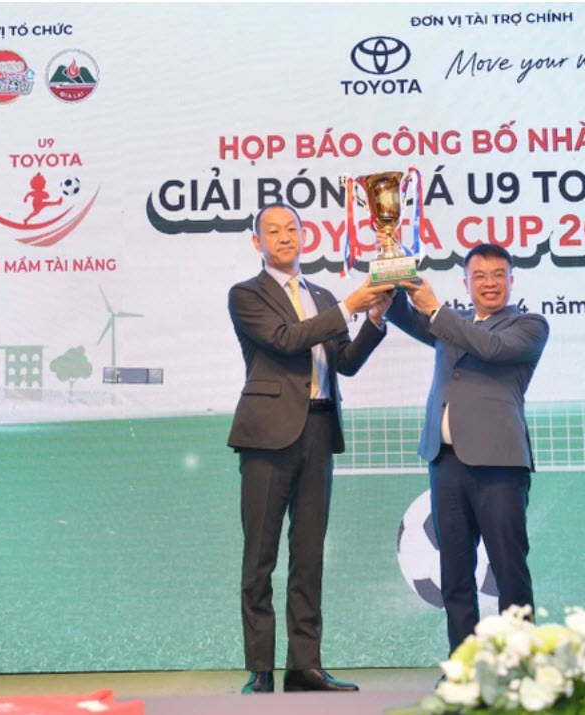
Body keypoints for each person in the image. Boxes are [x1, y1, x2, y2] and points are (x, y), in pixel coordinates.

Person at [228, 203, 395, 694]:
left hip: (319, 430)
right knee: (260, 555)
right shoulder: (246, 294)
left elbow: (345, 363)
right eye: (273, 231)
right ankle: (260, 668)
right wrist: (350, 306)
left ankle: (304, 666)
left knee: (308, 554)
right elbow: (285, 340)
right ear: (258, 243)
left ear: (304, 235)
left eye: (292, 229)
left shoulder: (321, 295)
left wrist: (374, 319)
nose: (285, 237)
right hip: (267, 436)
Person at [382, 232, 549, 655]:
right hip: (445, 463)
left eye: (498, 275)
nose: (489, 283)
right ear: (466, 282)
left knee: (509, 569)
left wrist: (436, 309)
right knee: (455, 572)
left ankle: (520, 666)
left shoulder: (528, 326)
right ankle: (463, 665)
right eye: (480, 276)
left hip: (499, 466)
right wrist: (393, 262)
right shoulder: (451, 324)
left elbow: (489, 348)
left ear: (511, 279)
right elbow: (401, 312)